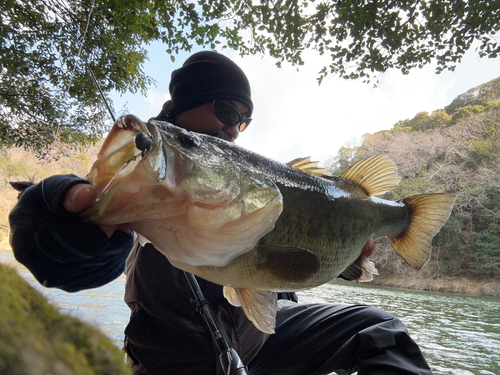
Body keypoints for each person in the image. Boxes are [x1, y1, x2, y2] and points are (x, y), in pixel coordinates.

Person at [9, 51, 433, 375]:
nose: (233, 128)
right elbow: (64, 259)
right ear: (184, 104)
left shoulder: (244, 171)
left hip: (261, 340)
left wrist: (340, 260)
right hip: (171, 358)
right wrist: (52, 208)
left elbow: (286, 273)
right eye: (227, 111)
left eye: (243, 120)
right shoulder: (148, 168)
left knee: (381, 333)